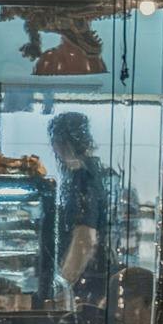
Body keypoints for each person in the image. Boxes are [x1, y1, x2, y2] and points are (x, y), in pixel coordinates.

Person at [48, 112, 116, 303]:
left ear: (60, 143)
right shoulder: (96, 172)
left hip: (86, 288)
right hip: (94, 282)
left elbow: (85, 239)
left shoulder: (82, 177)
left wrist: (63, 286)